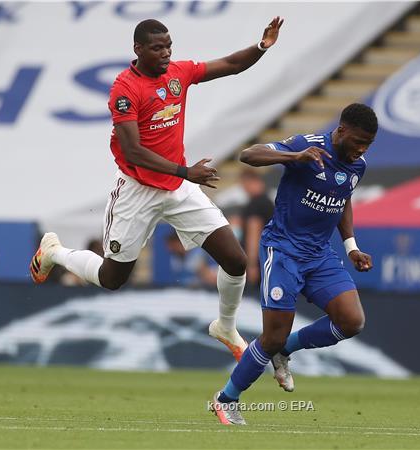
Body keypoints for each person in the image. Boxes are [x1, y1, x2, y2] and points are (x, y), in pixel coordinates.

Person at [29, 17, 284, 362]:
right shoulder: (125, 89)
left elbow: (231, 64)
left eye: (168, 46)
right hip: (138, 190)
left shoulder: (178, 73)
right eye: (157, 47)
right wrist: (186, 171)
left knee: (236, 260)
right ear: (138, 49)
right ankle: (55, 251)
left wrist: (261, 46)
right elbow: (133, 151)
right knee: (112, 278)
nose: (166, 53)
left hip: (177, 188)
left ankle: (225, 326)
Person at [211, 103, 377, 425]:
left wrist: (351, 247)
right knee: (270, 336)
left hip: (320, 255)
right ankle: (226, 398)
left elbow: (342, 198)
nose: (361, 149)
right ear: (342, 130)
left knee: (352, 321)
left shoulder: (358, 165)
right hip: (283, 252)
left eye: (368, 144)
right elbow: (249, 155)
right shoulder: (306, 145)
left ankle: (285, 349)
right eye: (358, 141)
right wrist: (293, 157)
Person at [239, 168, 274, 290]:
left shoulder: (256, 203)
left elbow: (254, 233)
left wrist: (252, 264)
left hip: (258, 263)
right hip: (268, 260)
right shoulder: (268, 202)